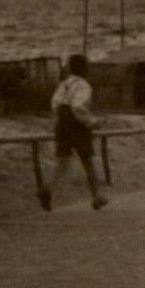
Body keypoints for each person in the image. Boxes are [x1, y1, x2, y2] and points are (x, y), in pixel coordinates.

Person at [39, 54, 107, 211]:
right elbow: (78, 106)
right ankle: (97, 196)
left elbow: (55, 104)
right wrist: (92, 122)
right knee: (87, 160)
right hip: (76, 124)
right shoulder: (83, 85)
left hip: (61, 123)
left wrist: (59, 122)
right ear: (84, 68)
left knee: (63, 161)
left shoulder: (63, 85)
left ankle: (47, 188)